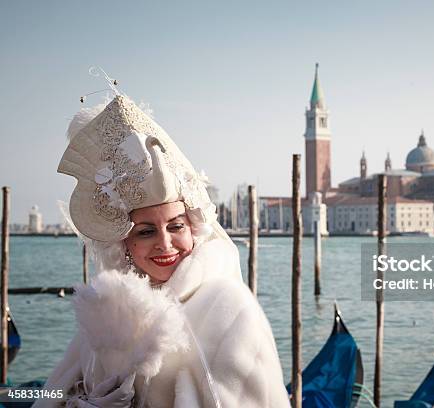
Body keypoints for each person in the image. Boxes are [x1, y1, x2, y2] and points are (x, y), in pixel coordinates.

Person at [32, 94, 290, 407]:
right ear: (123, 242)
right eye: (146, 231)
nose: (165, 243)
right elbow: (53, 396)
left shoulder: (229, 309)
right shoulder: (109, 311)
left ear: (193, 228)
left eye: (176, 226)